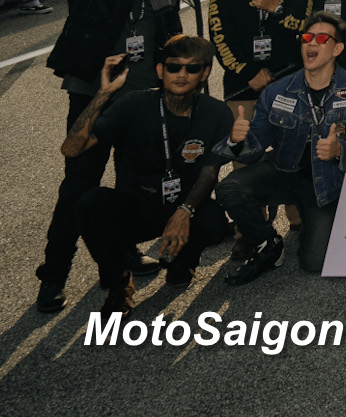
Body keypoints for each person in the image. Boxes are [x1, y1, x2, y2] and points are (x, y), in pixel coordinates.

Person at [33, 0, 185, 313]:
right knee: (77, 189)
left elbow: (173, 49)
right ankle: (53, 275)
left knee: (131, 190)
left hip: (143, 106)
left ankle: (119, 258)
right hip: (93, 100)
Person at [63, 37, 234, 312]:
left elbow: (209, 174)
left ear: (204, 73)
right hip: (137, 204)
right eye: (173, 67)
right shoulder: (133, 103)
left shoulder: (217, 113)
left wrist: (184, 212)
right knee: (90, 204)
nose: (181, 74)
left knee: (213, 221)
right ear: (160, 70)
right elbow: (71, 148)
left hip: (184, 205)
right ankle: (119, 283)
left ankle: (183, 262)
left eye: (192, 68)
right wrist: (103, 93)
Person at [219, 11, 346, 284]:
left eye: (322, 39)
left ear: (337, 49)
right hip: (283, 169)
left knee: (313, 262)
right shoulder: (276, 91)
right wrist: (237, 140)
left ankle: (312, 219)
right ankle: (268, 243)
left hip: (324, 183)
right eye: (306, 38)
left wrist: (340, 151)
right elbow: (256, 148)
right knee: (229, 189)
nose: (311, 43)